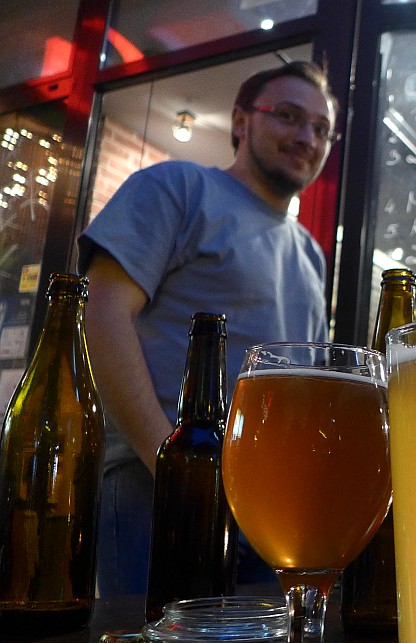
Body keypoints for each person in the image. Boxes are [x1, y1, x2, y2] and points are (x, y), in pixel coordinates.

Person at [77, 61, 338, 596]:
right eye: (288, 116)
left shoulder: (311, 255)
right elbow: (101, 312)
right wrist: (174, 469)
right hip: (157, 486)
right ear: (240, 121)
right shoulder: (176, 186)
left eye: (321, 129)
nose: (307, 138)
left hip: (268, 509)